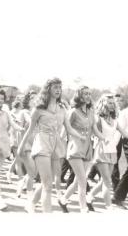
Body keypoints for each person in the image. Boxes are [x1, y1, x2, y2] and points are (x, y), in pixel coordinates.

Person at [16, 78, 86, 213]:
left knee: (47, 183)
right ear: (48, 89)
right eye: (55, 87)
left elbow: (69, 129)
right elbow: (30, 130)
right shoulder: (39, 109)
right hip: (42, 142)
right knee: (47, 184)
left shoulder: (62, 109)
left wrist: (82, 136)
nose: (58, 90)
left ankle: (31, 203)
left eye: (60, 87)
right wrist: (21, 147)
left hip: (57, 144)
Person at [87, 94, 128, 211]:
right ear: (103, 104)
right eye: (109, 103)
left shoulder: (114, 120)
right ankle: (109, 207)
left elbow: (125, 134)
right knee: (108, 181)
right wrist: (101, 138)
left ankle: (89, 197)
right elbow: (93, 133)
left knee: (104, 180)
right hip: (102, 151)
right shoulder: (98, 119)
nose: (112, 105)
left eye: (113, 103)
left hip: (112, 151)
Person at [58, 86, 107, 213]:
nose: (88, 96)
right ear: (79, 96)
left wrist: (103, 138)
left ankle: (63, 199)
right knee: (82, 179)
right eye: (85, 94)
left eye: (89, 94)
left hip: (87, 148)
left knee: (78, 180)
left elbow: (94, 129)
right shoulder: (73, 112)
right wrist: (59, 146)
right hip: (75, 148)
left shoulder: (91, 112)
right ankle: (83, 207)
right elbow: (65, 130)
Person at [111, 93, 125, 190]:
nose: (119, 103)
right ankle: (116, 185)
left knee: (115, 161)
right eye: (117, 101)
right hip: (110, 140)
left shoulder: (122, 113)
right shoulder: (110, 112)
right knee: (114, 163)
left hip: (119, 140)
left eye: (120, 101)